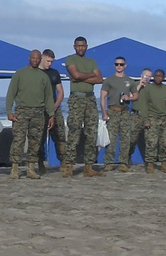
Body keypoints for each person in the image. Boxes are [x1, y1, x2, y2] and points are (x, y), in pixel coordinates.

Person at [6, 50, 55, 179]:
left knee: (35, 142)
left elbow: (49, 97)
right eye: (33, 58)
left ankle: (31, 169)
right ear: (29, 58)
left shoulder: (44, 77)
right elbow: (11, 93)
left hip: (38, 112)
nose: (35, 60)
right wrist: (9, 111)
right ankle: (15, 168)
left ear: (40, 59)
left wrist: (51, 115)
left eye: (37, 58)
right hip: (22, 111)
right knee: (18, 140)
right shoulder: (20, 74)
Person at [63, 36, 103, 177]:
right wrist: (88, 75)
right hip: (76, 99)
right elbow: (75, 74)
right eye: (78, 46)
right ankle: (68, 165)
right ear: (74, 46)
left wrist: (82, 76)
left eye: (83, 46)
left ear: (87, 46)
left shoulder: (91, 61)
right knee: (74, 132)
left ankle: (89, 166)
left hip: (90, 99)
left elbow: (99, 79)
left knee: (91, 132)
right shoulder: (70, 59)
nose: (81, 48)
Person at [100, 56, 139, 172]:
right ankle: (109, 163)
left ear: (125, 66)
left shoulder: (130, 81)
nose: (119, 66)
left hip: (125, 112)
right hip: (112, 111)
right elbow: (102, 97)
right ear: (114, 65)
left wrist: (129, 98)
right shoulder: (109, 80)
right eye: (117, 64)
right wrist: (103, 113)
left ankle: (123, 163)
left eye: (121, 64)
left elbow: (136, 95)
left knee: (125, 139)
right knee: (111, 139)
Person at [142, 69, 166, 174]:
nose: (158, 78)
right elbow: (144, 105)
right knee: (151, 142)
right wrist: (146, 120)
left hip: (165, 118)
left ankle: (164, 165)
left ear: (163, 78)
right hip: (152, 117)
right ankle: (150, 165)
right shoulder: (148, 89)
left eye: (160, 76)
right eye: (156, 76)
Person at [39, 49, 65, 173]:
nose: (49, 64)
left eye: (51, 62)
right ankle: (40, 163)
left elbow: (60, 92)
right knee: (39, 138)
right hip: (40, 109)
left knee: (60, 136)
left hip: (54, 108)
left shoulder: (54, 73)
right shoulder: (36, 72)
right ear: (42, 58)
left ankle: (64, 162)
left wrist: (54, 108)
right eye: (48, 61)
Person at [126, 68, 153, 169]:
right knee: (132, 139)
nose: (147, 78)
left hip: (148, 116)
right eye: (146, 76)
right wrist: (140, 85)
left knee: (150, 140)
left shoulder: (151, 87)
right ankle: (127, 157)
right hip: (136, 115)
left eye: (149, 76)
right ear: (141, 76)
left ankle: (149, 162)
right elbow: (129, 96)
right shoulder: (135, 85)